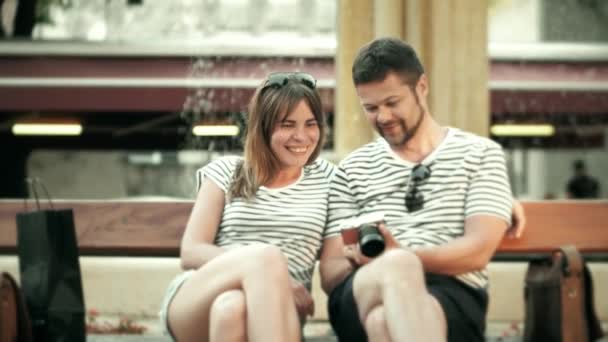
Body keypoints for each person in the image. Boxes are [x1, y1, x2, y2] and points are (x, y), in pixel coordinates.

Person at [319, 37, 525, 342]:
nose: (383, 117)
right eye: (371, 108)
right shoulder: (352, 169)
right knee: (395, 269)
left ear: (422, 87)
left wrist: (401, 254)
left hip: (453, 294)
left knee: (381, 322)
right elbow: (331, 272)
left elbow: (478, 251)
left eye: (392, 103)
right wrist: (366, 259)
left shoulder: (480, 155)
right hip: (362, 288)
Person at [159, 71, 336, 342]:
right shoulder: (226, 171)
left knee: (230, 310)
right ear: (263, 127)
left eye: (310, 124)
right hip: (197, 300)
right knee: (265, 258)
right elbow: (192, 251)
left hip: (278, 312)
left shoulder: (330, 179)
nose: (301, 136)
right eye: (287, 125)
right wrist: (274, 275)